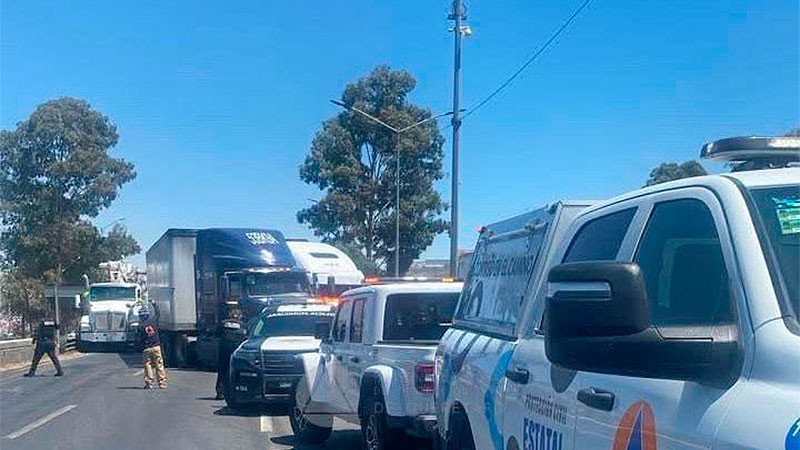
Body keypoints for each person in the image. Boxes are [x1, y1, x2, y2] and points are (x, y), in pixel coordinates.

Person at [215, 318, 246, 400]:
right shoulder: (242, 324)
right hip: (235, 350)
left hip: (225, 350)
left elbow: (216, 334)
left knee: (223, 371)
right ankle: (231, 391)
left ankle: (221, 392)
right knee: (233, 371)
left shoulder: (223, 323)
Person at [139, 306, 167, 389]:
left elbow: (139, 339)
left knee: (147, 365)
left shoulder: (141, 326)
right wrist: (154, 304)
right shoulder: (154, 321)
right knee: (159, 365)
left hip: (146, 348)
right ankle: (162, 383)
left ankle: (149, 383)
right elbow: (158, 313)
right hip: (156, 346)